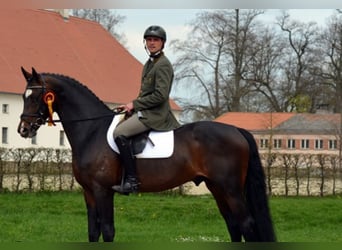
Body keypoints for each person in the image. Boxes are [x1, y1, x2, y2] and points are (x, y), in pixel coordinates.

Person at [112, 25, 180, 194]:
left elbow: (161, 95)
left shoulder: (163, 65)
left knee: (119, 134)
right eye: (149, 40)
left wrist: (135, 105)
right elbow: (145, 93)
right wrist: (131, 106)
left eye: (155, 40)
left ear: (162, 43)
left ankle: (132, 181)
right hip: (145, 111)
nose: (152, 43)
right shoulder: (149, 64)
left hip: (155, 115)